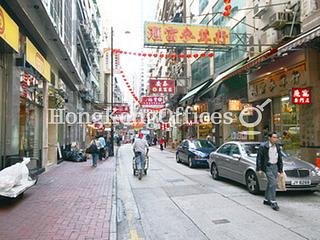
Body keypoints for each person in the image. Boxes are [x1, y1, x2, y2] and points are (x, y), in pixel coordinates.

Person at [256, 132, 283, 211]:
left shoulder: (277, 146)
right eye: (274, 137)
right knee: (273, 183)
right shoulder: (263, 146)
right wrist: (259, 169)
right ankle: (273, 201)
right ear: (269, 138)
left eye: (276, 137)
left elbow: (280, 158)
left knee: (270, 183)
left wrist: (280, 169)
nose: (276, 139)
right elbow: (259, 158)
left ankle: (266, 199)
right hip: (267, 166)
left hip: (275, 166)